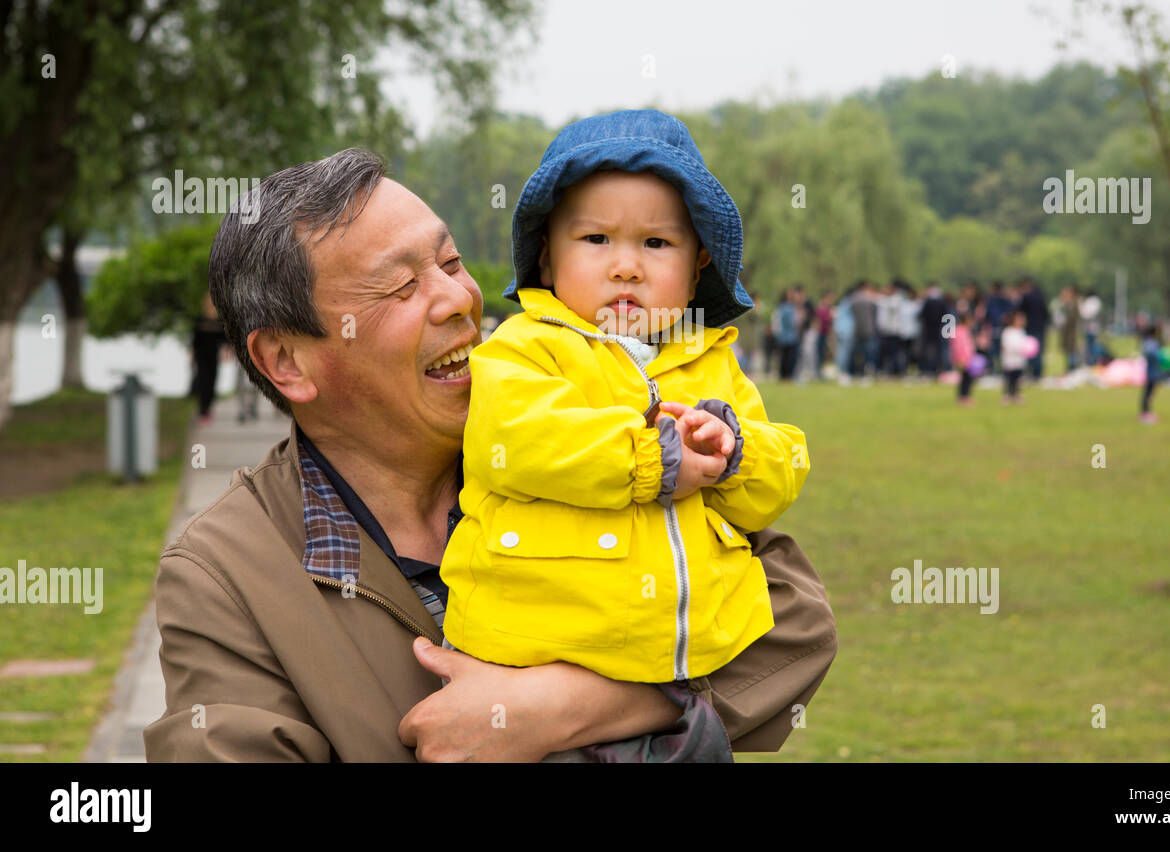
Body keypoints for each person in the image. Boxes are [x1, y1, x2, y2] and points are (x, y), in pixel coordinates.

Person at [143, 148, 837, 762]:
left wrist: (563, 707)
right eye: (401, 287)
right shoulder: (227, 575)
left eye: (450, 263)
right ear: (286, 360)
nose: (460, 300)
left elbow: (795, 618)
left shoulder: (571, 439)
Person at [442, 110, 812, 716]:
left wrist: (733, 452)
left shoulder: (714, 362)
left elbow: (771, 487)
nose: (626, 266)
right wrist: (651, 459)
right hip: (527, 651)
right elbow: (514, 439)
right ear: (544, 257)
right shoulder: (526, 346)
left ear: (698, 269)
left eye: (656, 243)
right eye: (595, 240)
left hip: (681, 667)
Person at [191, 290, 226, 425]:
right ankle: (202, 410)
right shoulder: (199, 319)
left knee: (212, 383)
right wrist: (192, 355)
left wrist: (226, 352)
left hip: (213, 356)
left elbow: (224, 341)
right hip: (201, 356)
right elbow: (195, 340)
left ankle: (208, 409)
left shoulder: (219, 321)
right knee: (203, 381)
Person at [1016, 278, 1049, 381]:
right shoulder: (1040, 297)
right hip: (1040, 327)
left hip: (1030, 327)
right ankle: (1037, 374)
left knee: (1030, 350)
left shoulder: (1026, 297)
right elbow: (1046, 313)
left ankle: (1030, 372)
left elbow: (1020, 310)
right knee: (1038, 350)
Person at [1000, 310, 1029, 405]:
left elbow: (1025, 344)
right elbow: (1005, 345)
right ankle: (1007, 395)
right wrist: (1016, 349)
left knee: (1017, 379)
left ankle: (1016, 394)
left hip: (1019, 360)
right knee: (1009, 379)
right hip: (1009, 360)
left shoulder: (1022, 331)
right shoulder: (1007, 331)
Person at [1139, 319, 1165, 424]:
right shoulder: (1151, 343)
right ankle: (1145, 414)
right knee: (1148, 393)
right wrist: (1159, 358)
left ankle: (1146, 413)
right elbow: (1151, 354)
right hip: (1152, 372)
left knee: (1149, 393)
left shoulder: (1148, 342)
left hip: (1152, 372)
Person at [950, 311, 977, 407]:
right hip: (962, 360)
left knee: (968, 379)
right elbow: (958, 347)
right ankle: (963, 397)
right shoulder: (959, 331)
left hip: (968, 359)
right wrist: (961, 358)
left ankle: (966, 396)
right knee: (965, 379)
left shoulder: (966, 331)